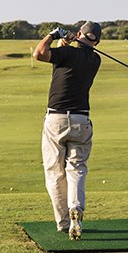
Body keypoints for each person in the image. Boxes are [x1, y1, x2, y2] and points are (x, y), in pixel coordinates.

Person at [32, 21, 102, 239]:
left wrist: (53, 34)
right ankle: (76, 210)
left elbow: (39, 54)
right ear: (97, 42)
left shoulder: (67, 54)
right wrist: (67, 42)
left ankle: (63, 222)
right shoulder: (95, 59)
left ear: (80, 33)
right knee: (77, 169)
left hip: (57, 119)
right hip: (82, 120)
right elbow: (70, 55)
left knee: (55, 172)